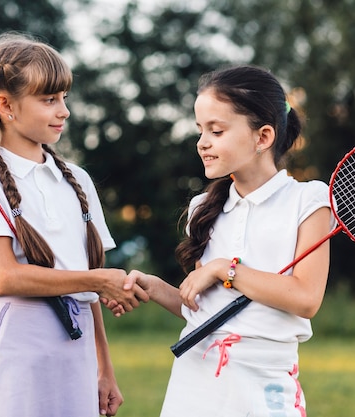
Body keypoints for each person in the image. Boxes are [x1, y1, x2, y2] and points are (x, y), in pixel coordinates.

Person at [111, 65, 335, 416]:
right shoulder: (204, 208)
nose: (202, 142)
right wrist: (155, 287)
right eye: (200, 130)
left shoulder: (308, 201)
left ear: (263, 137)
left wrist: (223, 269)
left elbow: (305, 299)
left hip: (265, 383)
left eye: (216, 130)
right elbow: (205, 311)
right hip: (196, 382)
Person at [0, 32, 147, 417]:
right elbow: (6, 277)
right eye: (49, 100)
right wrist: (96, 280)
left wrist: (104, 368)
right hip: (20, 343)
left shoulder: (78, 180)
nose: (64, 111)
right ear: (5, 105)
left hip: (77, 347)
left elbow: (89, 290)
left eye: (64, 98)